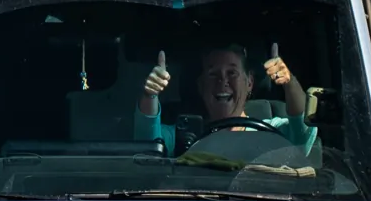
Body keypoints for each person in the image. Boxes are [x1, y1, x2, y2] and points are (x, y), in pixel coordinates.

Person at [134, 43, 318, 157]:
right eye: (213, 74)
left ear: (250, 83)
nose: (223, 81)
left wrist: (289, 82)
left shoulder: (271, 133)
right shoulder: (184, 137)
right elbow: (148, 143)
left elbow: (302, 131)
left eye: (232, 73)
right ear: (200, 85)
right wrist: (150, 94)